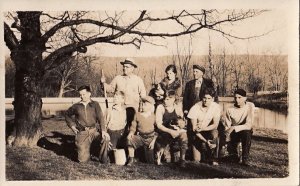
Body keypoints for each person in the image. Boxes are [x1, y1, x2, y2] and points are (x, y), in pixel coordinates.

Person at [101, 58, 146, 136]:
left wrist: (141, 110)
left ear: (132, 68)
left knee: (132, 130)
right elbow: (109, 89)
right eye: (124, 66)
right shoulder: (118, 78)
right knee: (121, 130)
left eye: (127, 67)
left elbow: (143, 97)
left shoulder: (138, 80)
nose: (124, 68)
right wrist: (102, 83)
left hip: (133, 110)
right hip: (120, 110)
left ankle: (131, 145)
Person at [65, 85, 105, 163]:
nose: (82, 96)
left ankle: (103, 158)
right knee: (82, 160)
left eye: (84, 94)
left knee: (105, 139)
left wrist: (103, 131)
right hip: (82, 133)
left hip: (94, 131)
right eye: (80, 95)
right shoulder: (76, 106)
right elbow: (67, 115)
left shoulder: (95, 104)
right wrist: (72, 126)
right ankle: (86, 151)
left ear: (89, 93)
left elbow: (101, 118)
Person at [187, 88, 221, 165]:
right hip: (196, 134)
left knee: (215, 133)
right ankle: (202, 151)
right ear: (202, 98)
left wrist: (203, 128)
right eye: (204, 98)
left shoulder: (216, 107)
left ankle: (214, 158)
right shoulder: (195, 108)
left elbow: (215, 124)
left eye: (209, 98)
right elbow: (194, 129)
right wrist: (206, 141)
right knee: (197, 160)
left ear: (212, 99)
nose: (206, 100)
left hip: (207, 130)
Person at [155, 90, 188, 167]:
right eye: (164, 99)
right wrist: (170, 131)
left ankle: (182, 159)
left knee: (184, 135)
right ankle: (163, 152)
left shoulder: (178, 108)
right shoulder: (160, 107)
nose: (165, 101)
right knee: (167, 160)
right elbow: (159, 125)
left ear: (173, 99)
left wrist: (179, 127)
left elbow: (182, 124)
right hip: (164, 133)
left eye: (167, 99)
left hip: (175, 132)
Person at [224, 88, 255, 166]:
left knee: (247, 133)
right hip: (233, 131)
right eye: (235, 98)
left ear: (245, 98)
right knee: (232, 157)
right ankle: (233, 155)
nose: (237, 100)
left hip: (245, 129)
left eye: (239, 97)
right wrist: (227, 134)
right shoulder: (229, 109)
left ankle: (245, 159)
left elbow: (249, 125)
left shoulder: (250, 106)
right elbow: (227, 125)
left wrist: (234, 128)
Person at [126, 96, 157, 166]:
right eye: (142, 104)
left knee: (150, 162)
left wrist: (153, 141)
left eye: (145, 105)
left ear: (150, 106)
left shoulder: (153, 116)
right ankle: (131, 158)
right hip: (140, 137)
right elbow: (133, 126)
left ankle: (152, 157)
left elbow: (157, 129)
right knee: (130, 139)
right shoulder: (137, 115)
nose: (142, 106)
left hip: (150, 138)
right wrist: (131, 132)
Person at [99, 91, 127, 164]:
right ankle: (104, 156)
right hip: (111, 132)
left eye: (117, 97)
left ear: (122, 100)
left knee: (122, 153)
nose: (115, 98)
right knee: (110, 151)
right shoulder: (109, 110)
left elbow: (126, 124)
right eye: (114, 96)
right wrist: (105, 133)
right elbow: (104, 123)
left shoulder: (125, 111)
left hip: (122, 133)